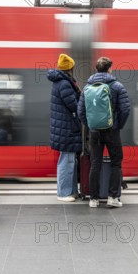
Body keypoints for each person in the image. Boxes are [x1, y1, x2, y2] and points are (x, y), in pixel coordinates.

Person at [78, 57, 130, 208]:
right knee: (116, 163)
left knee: (95, 164)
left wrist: (90, 125)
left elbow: (80, 111)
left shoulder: (87, 87)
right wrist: (118, 125)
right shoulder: (117, 86)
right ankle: (112, 197)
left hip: (95, 131)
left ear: (96, 69)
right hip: (112, 131)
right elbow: (125, 109)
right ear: (109, 69)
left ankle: (93, 199)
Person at [47, 53, 82, 202]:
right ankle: (63, 193)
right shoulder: (64, 83)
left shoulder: (63, 81)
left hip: (65, 126)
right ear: (70, 68)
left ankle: (72, 190)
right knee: (66, 161)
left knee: (70, 160)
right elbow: (73, 105)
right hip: (66, 127)